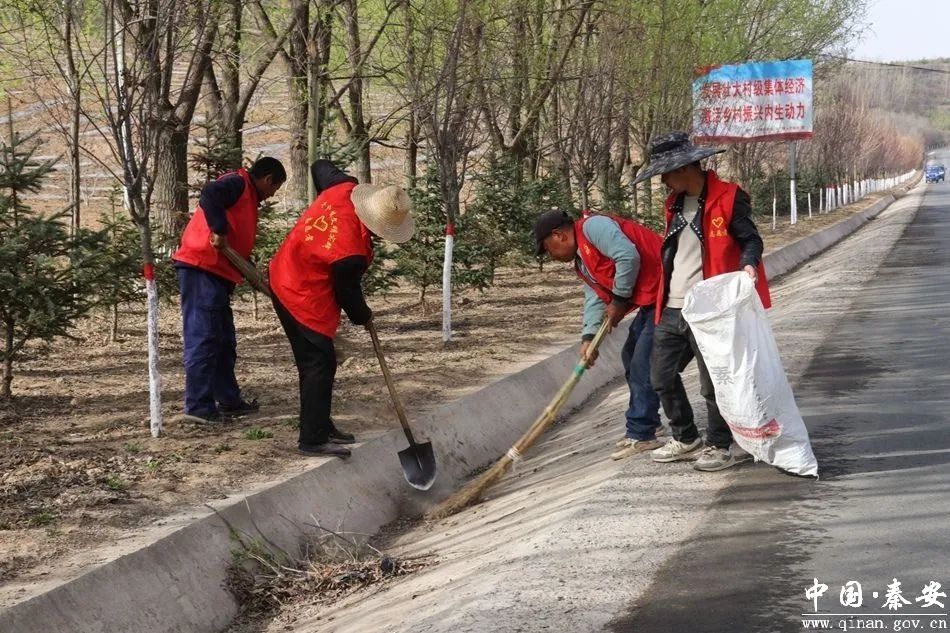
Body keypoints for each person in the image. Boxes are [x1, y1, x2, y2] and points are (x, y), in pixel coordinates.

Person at [632, 131, 770, 472]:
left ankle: (719, 445)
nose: (663, 181)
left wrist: (748, 264)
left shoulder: (729, 197)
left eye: (665, 173)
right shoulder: (674, 204)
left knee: (714, 383)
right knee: (660, 376)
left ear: (683, 168)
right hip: (672, 305)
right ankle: (686, 437)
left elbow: (751, 239)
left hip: (711, 309)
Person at [268, 160, 415, 458]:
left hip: (294, 272)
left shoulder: (342, 187)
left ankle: (321, 425)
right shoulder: (350, 254)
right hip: (297, 290)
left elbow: (319, 166)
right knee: (317, 362)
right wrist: (365, 315)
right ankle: (312, 439)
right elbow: (347, 293)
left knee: (324, 361)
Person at [534, 208, 665, 460]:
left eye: (548, 249)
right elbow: (595, 295)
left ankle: (642, 433)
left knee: (643, 362)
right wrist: (589, 336)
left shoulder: (593, 228)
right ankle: (650, 421)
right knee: (632, 355)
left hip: (669, 289)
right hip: (653, 298)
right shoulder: (582, 261)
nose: (551, 256)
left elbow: (627, 257)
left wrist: (619, 300)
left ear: (559, 235)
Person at [172, 157, 286, 424]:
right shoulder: (237, 183)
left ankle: (229, 400)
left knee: (224, 341)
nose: (272, 195)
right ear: (268, 179)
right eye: (275, 188)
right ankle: (198, 407)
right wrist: (219, 230)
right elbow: (210, 194)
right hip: (202, 268)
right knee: (205, 338)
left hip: (220, 274)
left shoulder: (247, 196)